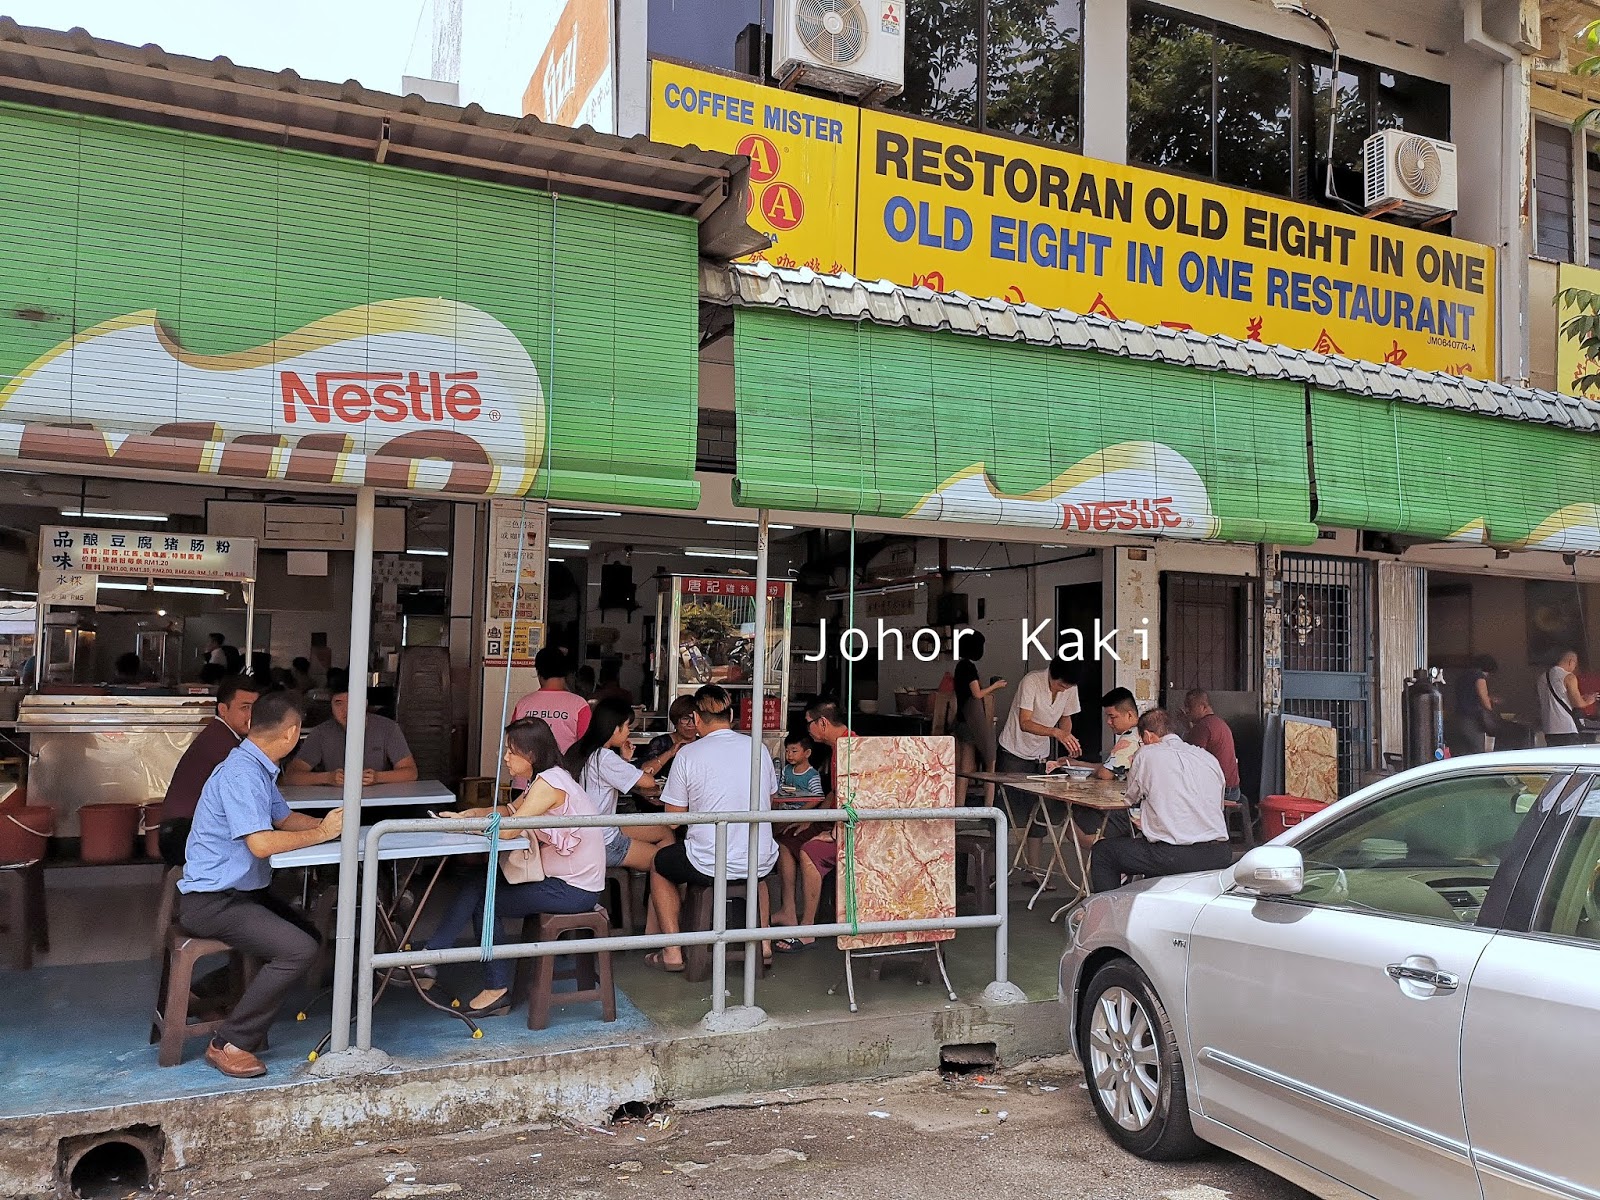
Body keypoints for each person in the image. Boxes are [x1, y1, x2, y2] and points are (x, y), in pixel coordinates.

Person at [176, 691, 342, 1078]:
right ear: (293, 734)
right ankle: (229, 1043)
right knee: (297, 949)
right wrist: (322, 835)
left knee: (309, 934)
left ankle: (207, 994)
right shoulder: (242, 774)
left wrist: (330, 826)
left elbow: (283, 819)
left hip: (240, 893)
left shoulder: (256, 765)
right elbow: (262, 843)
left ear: (252, 724)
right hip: (212, 901)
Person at [420, 717, 607, 1017]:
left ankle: (493, 987)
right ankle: (431, 957)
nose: (505, 757)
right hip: (561, 882)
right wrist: (469, 815)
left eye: (511, 751)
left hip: (573, 890)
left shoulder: (550, 784)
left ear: (531, 754)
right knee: (478, 880)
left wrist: (466, 826)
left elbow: (508, 830)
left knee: (485, 899)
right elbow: (509, 811)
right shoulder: (545, 779)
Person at [645, 685, 780, 972]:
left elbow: (673, 820)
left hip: (707, 862)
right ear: (730, 716)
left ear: (696, 718)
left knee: (659, 863)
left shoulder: (688, 754)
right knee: (757, 874)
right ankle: (765, 945)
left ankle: (672, 951)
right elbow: (769, 799)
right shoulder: (758, 748)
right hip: (759, 858)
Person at [1089, 708, 1232, 893]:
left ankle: (1109, 909)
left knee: (1103, 852)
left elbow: (1130, 798)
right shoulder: (1208, 758)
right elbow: (1218, 804)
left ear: (1148, 736)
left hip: (1174, 854)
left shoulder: (1146, 754)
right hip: (1219, 853)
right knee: (1151, 848)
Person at [778, 701, 857, 953]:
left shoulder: (853, 748)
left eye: (809, 723)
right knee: (787, 839)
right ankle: (788, 911)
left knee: (809, 851)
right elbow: (834, 792)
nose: (808, 729)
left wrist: (835, 831)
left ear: (822, 723)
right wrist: (813, 819)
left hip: (852, 830)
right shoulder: (837, 747)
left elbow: (858, 797)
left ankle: (807, 929)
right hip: (833, 820)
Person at [159, 676, 260, 866]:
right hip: (182, 833)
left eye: (256, 708)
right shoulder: (223, 742)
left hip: (180, 830)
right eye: (245, 707)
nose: (252, 715)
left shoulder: (222, 735)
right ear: (223, 709)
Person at [570, 697, 677, 873]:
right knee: (663, 863)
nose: (629, 732)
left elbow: (619, 778)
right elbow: (648, 782)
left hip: (587, 832)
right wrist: (641, 772)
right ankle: (658, 887)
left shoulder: (581, 750)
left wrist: (625, 761)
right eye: (627, 726)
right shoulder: (605, 757)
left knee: (665, 831)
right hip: (603, 840)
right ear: (614, 728)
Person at [997, 660, 1084, 875]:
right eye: (1060, 685)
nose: (1063, 690)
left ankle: (1034, 871)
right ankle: (996, 870)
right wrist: (1056, 733)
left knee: (1038, 812)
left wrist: (1068, 740)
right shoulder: (1031, 681)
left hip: (1040, 755)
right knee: (1005, 812)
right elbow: (1025, 722)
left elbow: (1066, 718)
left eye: (1067, 687)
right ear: (1051, 674)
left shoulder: (1069, 687)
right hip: (1013, 751)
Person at [283, 684, 418, 786]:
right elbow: (291, 776)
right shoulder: (321, 733)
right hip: (334, 805)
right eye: (338, 703)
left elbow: (411, 772)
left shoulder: (388, 728)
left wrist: (377, 777)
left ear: (365, 703)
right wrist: (328, 778)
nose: (346, 709)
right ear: (331, 706)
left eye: (352, 701)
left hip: (382, 803)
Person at [770, 731, 826, 933]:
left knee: (784, 842)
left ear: (807, 753)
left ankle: (789, 910)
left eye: (794, 751)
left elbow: (818, 798)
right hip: (785, 816)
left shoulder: (812, 775)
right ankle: (787, 909)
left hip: (799, 818)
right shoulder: (786, 770)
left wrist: (801, 814)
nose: (789, 755)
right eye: (787, 751)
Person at [952, 633, 1006, 791]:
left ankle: (959, 804)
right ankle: (988, 804)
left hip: (961, 720)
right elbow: (977, 694)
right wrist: (995, 686)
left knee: (965, 768)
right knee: (989, 762)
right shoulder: (969, 668)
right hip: (971, 723)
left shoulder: (959, 667)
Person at [512, 646, 592, 753]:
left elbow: (514, 743)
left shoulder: (523, 704)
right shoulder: (579, 705)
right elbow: (586, 748)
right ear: (566, 673)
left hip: (531, 763)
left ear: (538, 673)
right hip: (567, 763)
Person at [1181, 689, 1242, 805]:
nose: (1186, 710)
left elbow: (1191, 759)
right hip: (1233, 788)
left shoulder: (1203, 726)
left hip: (1220, 790)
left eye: (1190, 706)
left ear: (1203, 707)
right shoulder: (1219, 723)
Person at [1539, 650, 1597, 747]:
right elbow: (1578, 703)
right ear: (1571, 662)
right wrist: (1589, 700)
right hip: (1567, 727)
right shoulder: (1569, 677)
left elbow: (1555, 699)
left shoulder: (1542, 678)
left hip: (1549, 729)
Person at [1448, 656, 1499, 757]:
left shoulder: (1462, 677)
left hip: (1458, 718)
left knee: (1461, 752)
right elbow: (1483, 698)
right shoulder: (1479, 676)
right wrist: (1491, 710)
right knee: (1477, 752)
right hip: (1473, 720)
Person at [642, 695, 700, 782]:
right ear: (675, 720)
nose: (690, 724)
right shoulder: (660, 743)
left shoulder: (702, 743)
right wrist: (670, 753)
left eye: (695, 719)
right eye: (685, 719)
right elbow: (644, 773)